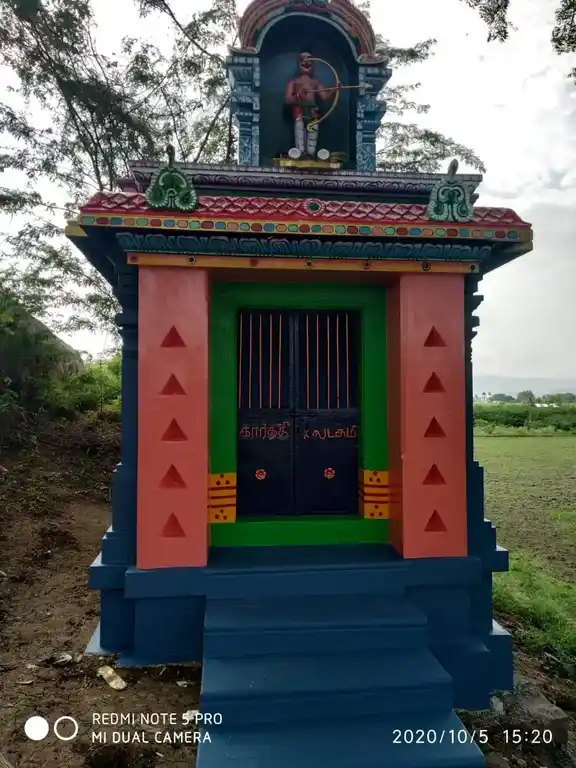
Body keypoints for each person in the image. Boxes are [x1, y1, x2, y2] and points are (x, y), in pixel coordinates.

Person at [285, 52, 336, 158]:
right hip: (299, 110)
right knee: (299, 132)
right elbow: (288, 99)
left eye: (310, 60)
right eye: (304, 59)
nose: (307, 62)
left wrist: (335, 90)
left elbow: (325, 96)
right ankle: (300, 153)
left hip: (313, 111)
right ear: (299, 63)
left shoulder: (315, 82)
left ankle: (311, 154)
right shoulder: (294, 82)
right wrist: (299, 95)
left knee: (312, 134)